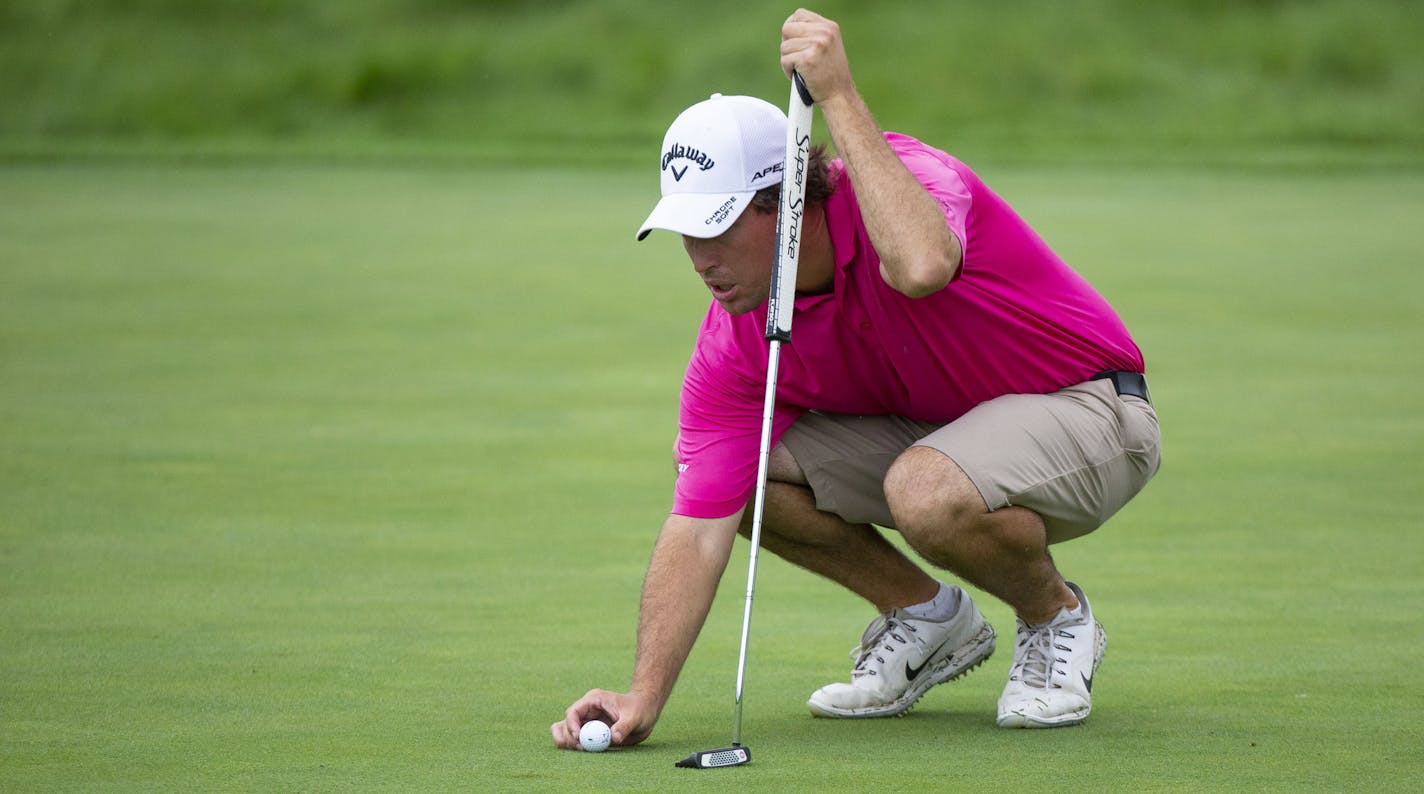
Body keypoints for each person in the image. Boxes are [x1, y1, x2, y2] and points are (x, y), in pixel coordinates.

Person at [550, 8, 1160, 750]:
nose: (699, 256)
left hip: (1094, 409)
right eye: (685, 230)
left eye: (717, 224)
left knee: (925, 487)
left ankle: (1056, 618)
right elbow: (699, 521)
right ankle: (927, 618)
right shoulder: (735, 339)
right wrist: (643, 693)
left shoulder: (911, 181)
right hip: (948, 437)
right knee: (743, 476)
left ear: (789, 202)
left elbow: (921, 266)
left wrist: (837, 95)